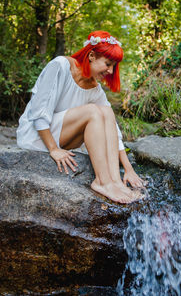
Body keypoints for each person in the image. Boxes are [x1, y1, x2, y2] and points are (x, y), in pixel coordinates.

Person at [17, 30, 144, 204]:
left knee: (106, 112)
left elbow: (114, 131)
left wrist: (128, 169)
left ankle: (114, 181)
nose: (111, 70)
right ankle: (101, 181)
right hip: (36, 135)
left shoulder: (95, 89)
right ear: (91, 55)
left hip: (63, 137)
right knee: (93, 111)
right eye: (108, 63)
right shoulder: (60, 65)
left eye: (113, 66)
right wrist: (53, 149)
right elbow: (39, 111)